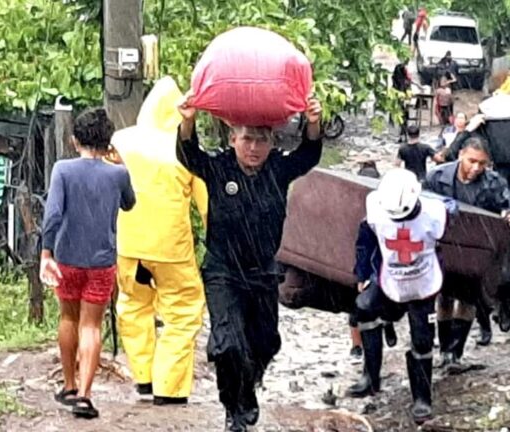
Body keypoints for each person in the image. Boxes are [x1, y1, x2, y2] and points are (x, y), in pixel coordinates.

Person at [176, 94, 323, 431]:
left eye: (261, 139)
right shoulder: (218, 167)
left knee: (265, 342)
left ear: (272, 142)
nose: (254, 147)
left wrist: (313, 121)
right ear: (233, 139)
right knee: (228, 344)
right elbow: (188, 155)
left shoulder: (279, 169)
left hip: (264, 273)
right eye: (247, 138)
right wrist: (187, 120)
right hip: (223, 272)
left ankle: (248, 385)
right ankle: (235, 408)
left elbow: (309, 154)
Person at [111, 77, 208, 406]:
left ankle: (143, 378)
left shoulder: (121, 141)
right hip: (171, 248)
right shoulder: (185, 149)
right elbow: (206, 204)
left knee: (133, 307)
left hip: (128, 246)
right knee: (182, 313)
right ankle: (169, 387)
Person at [40, 108, 136, 419]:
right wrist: (122, 166)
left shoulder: (63, 170)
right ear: (109, 143)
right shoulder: (118, 174)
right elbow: (130, 203)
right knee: (91, 325)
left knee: (68, 318)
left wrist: (46, 252)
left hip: (67, 257)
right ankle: (85, 394)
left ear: (73, 140)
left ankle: (68, 385)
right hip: (102, 260)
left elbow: (53, 214)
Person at [347, 168, 448, 425]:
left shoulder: (435, 212)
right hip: (389, 276)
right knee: (364, 307)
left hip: (423, 281)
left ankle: (422, 398)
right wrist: (363, 273)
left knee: (422, 338)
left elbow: (448, 242)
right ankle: (371, 376)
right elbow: (365, 240)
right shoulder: (376, 208)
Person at [440, 112, 510, 331]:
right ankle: (483, 320)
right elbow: (450, 157)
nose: (477, 167)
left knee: (509, 274)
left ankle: (504, 306)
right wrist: (468, 130)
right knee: (476, 278)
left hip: (507, 229)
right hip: (475, 230)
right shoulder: (464, 169)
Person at [424, 137, 510, 370]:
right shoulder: (437, 177)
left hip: (477, 249)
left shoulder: (494, 182)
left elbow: (509, 207)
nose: (476, 168)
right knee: (444, 296)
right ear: (461, 155)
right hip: (443, 246)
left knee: (468, 298)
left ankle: (457, 353)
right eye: (472, 161)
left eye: (482, 164)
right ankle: (445, 350)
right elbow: (421, 204)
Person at [348, 161, 398, 359]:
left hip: (370, 263)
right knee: (361, 305)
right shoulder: (352, 202)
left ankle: (359, 346)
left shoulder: (375, 204)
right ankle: (362, 344)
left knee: (359, 305)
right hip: (372, 263)